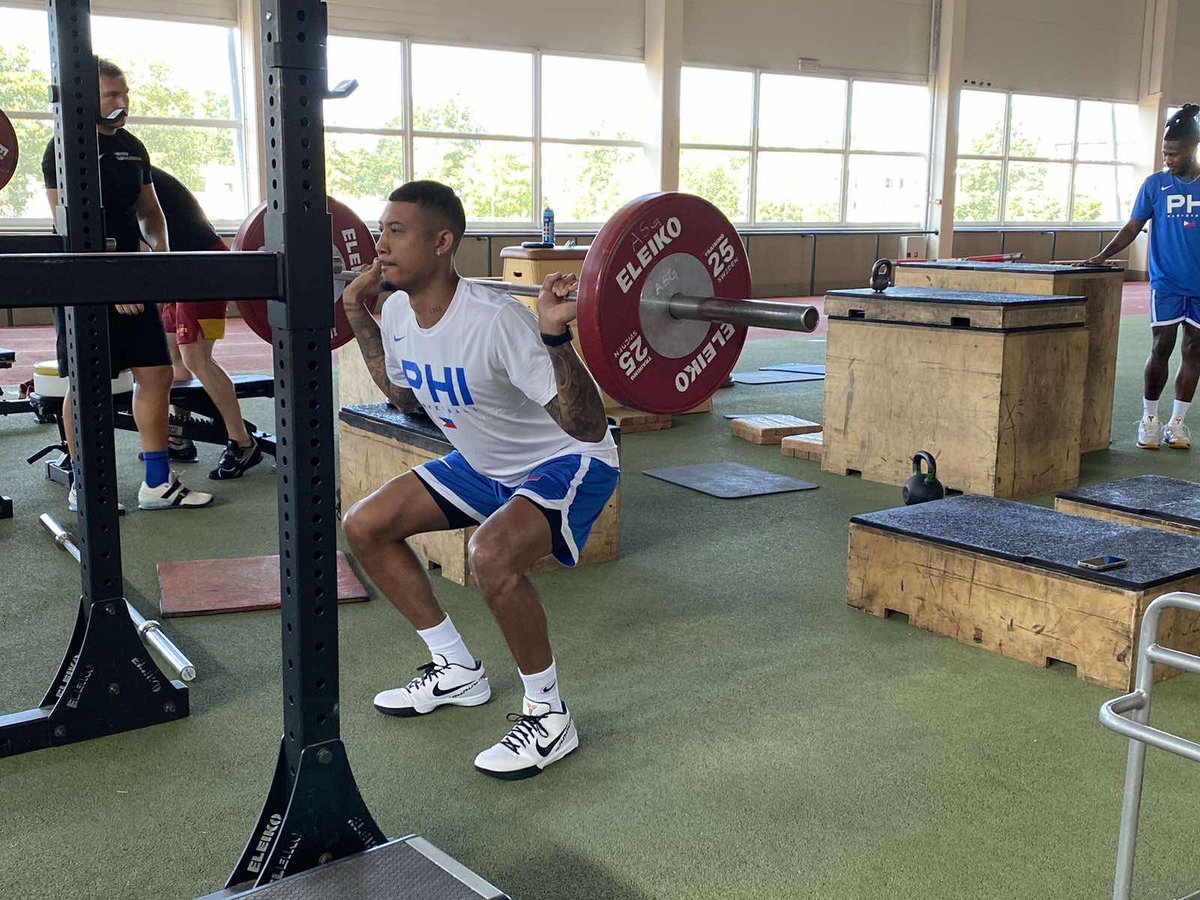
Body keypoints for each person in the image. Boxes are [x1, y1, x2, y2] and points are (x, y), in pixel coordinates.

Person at [340, 181, 619, 780]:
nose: (380, 244)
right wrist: (354, 315)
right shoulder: (393, 311)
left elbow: (590, 424)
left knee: (489, 555)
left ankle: (549, 715)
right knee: (365, 526)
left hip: (569, 459)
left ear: (442, 243)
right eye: (380, 229)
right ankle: (456, 669)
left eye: (396, 231)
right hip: (484, 461)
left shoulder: (497, 322)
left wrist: (552, 336)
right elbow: (404, 397)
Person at [41, 58, 211, 510]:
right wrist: (111, 284)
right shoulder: (63, 148)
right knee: (88, 383)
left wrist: (159, 257)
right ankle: (86, 483)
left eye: (125, 93)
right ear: (85, 98)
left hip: (133, 280)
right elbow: (66, 227)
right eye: (111, 95)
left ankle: (157, 482)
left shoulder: (133, 148)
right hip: (86, 282)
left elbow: (150, 212)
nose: (123, 103)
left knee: (156, 374)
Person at [1084, 104, 1200, 451]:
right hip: (1166, 283)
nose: (1168, 159)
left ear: (1193, 148)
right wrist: (1103, 256)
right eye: (1165, 153)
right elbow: (1133, 226)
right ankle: (1149, 419)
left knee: (1194, 351)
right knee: (1160, 346)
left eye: (1174, 153)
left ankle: (1177, 424)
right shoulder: (1155, 185)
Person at [151, 165, 264, 480]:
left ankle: (243, 442)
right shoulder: (121, 168)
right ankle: (179, 435)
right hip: (176, 266)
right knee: (171, 350)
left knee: (196, 356)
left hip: (204, 265)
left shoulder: (127, 168)